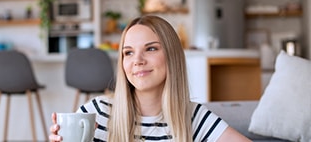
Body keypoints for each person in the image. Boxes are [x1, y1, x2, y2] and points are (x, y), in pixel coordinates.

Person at [49, 15, 251, 142]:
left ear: (171, 56)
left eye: (151, 48)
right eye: (128, 53)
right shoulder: (97, 112)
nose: (137, 60)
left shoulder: (193, 117)